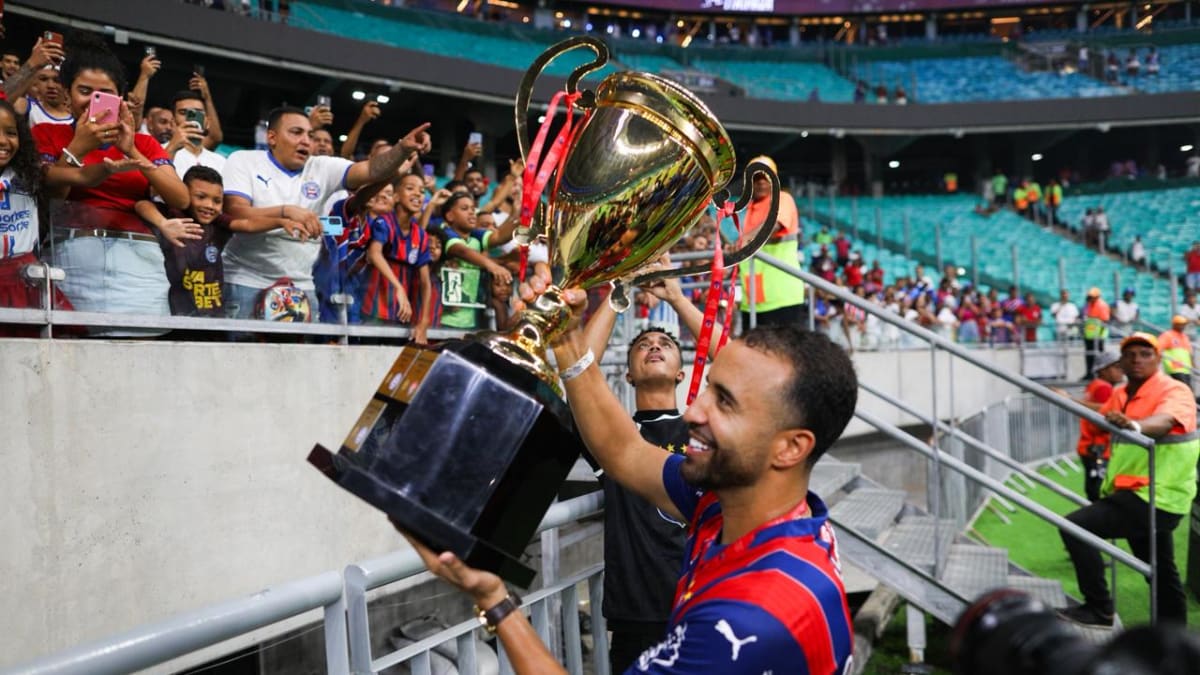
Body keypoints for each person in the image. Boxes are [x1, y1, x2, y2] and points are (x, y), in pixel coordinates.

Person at [403, 268, 857, 672]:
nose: (695, 412)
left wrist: (494, 601)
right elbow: (624, 451)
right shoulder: (731, 505)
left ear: (790, 448)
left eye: (724, 402)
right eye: (707, 391)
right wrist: (566, 338)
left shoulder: (744, 623)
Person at [581, 269, 722, 674]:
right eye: (643, 344)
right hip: (637, 617)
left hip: (704, 603)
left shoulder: (701, 427)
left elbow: (740, 369)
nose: (654, 346)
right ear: (627, 374)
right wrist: (617, 294)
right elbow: (579, 371)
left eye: (664, 343)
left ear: (682, 372)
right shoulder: (613, 438)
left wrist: (678, 300)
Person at [34, 34, 189, 335]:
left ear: (120, 99)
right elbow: (52, 196)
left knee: (144, 357)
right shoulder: (46, 133)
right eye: (84, 91)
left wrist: (131, 150)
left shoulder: (143, 142)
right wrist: (77, 147)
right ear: (66, 94)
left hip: (139, 263)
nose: (94, 100)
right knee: (75, 355)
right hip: (72, 258)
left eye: (105, 93)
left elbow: (180, 198)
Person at [219, 106, 432, 320]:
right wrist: (285, 214)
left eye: (309, 135)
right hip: (246, 281)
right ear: (272, 137)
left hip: (302, 287)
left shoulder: (323, 167)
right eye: (296, 132)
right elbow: (235, 212)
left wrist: (403, 147)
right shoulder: (243, 160)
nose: (305, 140)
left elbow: (371, 171)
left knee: (300, 354)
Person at [1058, 332, 1198, 627]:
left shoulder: (1174, 389)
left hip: (1159, 495)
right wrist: (1071, 401)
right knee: (1160, 570)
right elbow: (1105, 413)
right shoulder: (1121, 393)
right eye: (1130, 354)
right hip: (1135, 491)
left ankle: (1099, 609)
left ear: (1158, 360)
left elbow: (1165, 421)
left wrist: (1135, 425)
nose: (1137, 360)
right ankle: (1173, 637)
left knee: (1075, 527)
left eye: (1146, 354)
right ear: (1121, 361)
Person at [133, 165, 314, 318]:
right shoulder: (173, 215)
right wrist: (163, 224)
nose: (210, 206)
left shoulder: (218, 224)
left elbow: (248, 224)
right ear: (184, 194)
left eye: (217, 201)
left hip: (212, 317)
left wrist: (280, 222)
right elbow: (141, 204)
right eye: (201, 197)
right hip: (173, 314)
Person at [0, 98, 74, 336]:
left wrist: (106, 168)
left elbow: (80, 178)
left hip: (24, 281)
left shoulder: (29, 177)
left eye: (11, 132)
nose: (3, 141)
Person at [736, 156, 805, 329]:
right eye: (755, 179)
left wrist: (745, 239)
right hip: (753, 300)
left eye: (765, 178)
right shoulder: (751, 208)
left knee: (785, 354)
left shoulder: (782, 198)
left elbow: (775, 224)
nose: (760, 183)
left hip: (782, 298)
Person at [1055, 350, 1123, 501]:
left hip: (1089, 445)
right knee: (1100, 493)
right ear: (1103, 369)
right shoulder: (1104, 388)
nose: (1121, 370)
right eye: (1117, 367)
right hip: (1098, 447)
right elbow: (1105, 414)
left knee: (1094, 490)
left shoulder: (1094, 385)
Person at [165, 90, 225, 178]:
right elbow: (153, 189)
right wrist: (171, 149)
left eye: (198, 113)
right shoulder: (157, 150)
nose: (191, 119)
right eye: (183, 112)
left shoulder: (221, 161)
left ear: (207, 122)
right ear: (173, 121)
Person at [1158, 316, 1193, 390]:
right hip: (1174, 367)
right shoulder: (1168, 335)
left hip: (1186, 368)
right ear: (1174, 324)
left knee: (1188, 389)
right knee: (1184, 388)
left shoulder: (1184, 336)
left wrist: (1193, 364)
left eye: (1183, 324)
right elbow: (1158, 348)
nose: (1182, 326)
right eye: (1180, 324)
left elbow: (1189, 352)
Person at [1082, 287, 1110, 377]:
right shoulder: (1089, 305)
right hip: (1089, 335)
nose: (1090, 298)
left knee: (1099, 356)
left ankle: (1099, 374)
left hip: (1098, 336)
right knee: (1089, 355)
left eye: (1092, 297)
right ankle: (1089, 373)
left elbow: (1105, 320)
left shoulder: (1102, 305)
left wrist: (1100, 335)